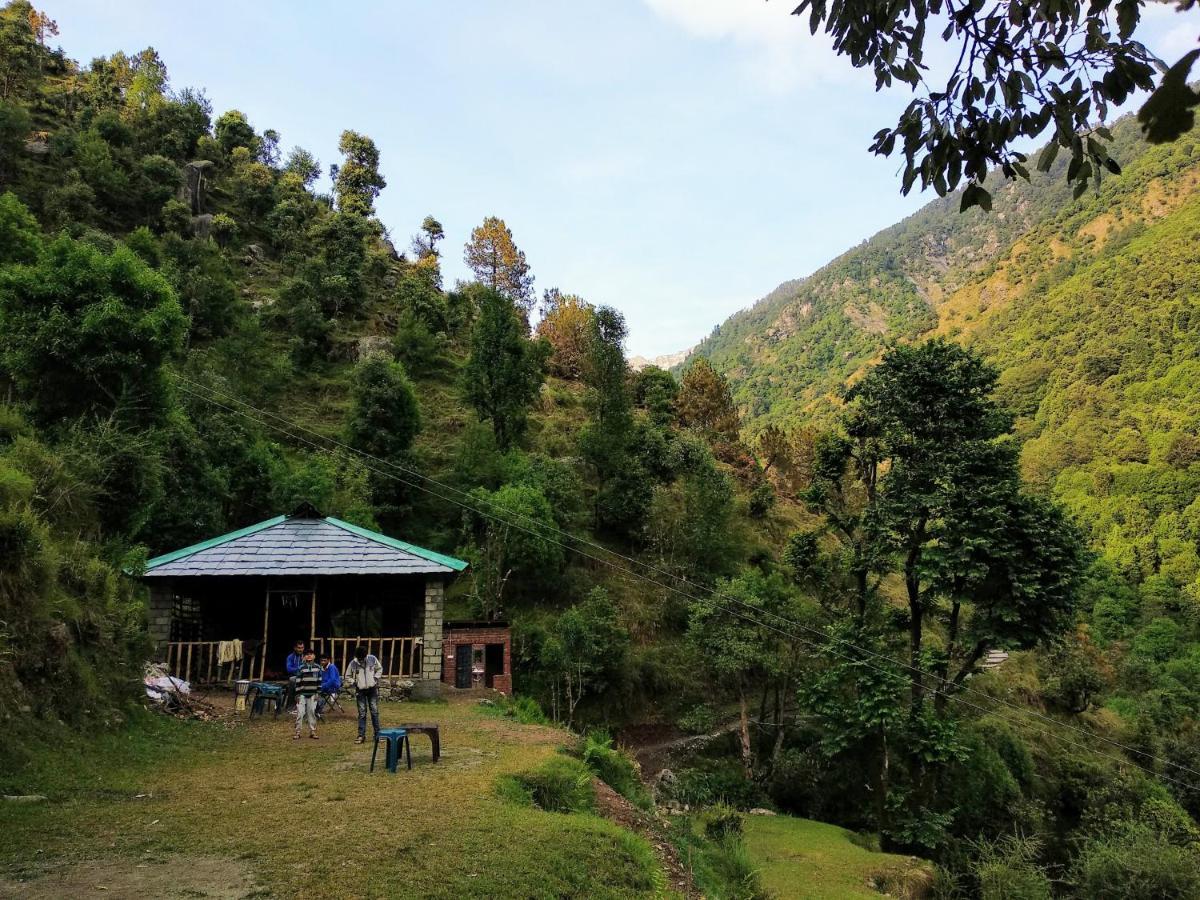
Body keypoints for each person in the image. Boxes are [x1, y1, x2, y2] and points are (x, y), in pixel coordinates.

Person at [345, 644, 383, 744]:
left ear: (366, 655)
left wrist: (375, 678)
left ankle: (378, 734)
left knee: (374, 712)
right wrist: (354, 682)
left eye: (363, 658)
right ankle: (361, 735)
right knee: (362, 713)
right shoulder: (353, 663)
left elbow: (379, 668)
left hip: (372, 689)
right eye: (360, 658)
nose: (361, 660)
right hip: (360, 690)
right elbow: (347, 676)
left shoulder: (372, 659)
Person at [293, 647, 322, 740]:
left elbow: (319, 681)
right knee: (300, 713)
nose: (309, 656)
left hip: (313, 694)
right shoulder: (301, 667)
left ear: (314, 656)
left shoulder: (318, 667)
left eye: (311, 654)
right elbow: (297, 681)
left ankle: (312, 731)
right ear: (304, 657)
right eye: (307, 654)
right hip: (302, 694)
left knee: (312, 712)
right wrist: (297, 694)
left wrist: (318, 693)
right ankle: (297, 732)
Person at [315, 653, 341, 719]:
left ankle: (317, 710)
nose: (323, 662)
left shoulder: (331, 667)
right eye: (321, 660)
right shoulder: (321, 668)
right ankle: (316, 709)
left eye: (324, 660)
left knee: (319, 691)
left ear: (328, 660)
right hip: (326, 686)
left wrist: (322, 686)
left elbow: (332, 680)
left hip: (334, 686)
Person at [284, 639, 306, 709]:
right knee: (292, 680)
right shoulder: (290, 657)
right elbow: (289, 669)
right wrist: (300, 669)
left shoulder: (306, 657)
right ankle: (291, 705)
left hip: (305, 678)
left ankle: (314, 706)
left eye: (302, 648)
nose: (300, 650)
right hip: (294, 677)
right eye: (299, 648)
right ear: (295, 648)